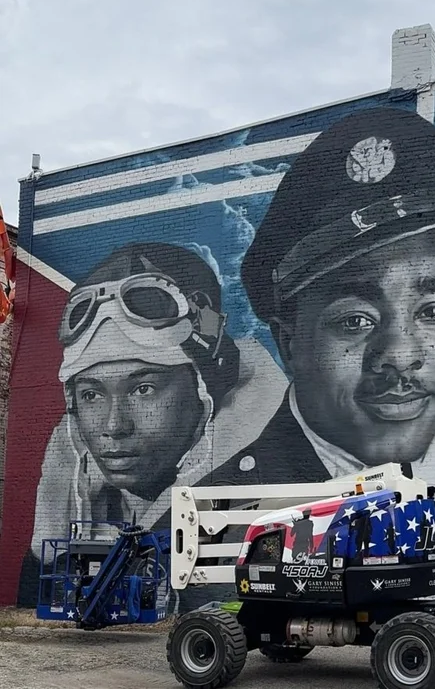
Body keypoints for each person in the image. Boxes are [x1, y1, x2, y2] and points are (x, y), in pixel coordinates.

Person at [203, 106, 435, 624]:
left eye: (434, 311)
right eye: (355, 320)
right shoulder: (223, 513)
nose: (402, 355)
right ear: (290, 344)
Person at [21, 242, 284, 610]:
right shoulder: (73, 474)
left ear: (206, 386)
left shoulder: (281, 465)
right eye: (91, 395)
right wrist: (49, 527)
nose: (114, 426)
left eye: (143, 389)